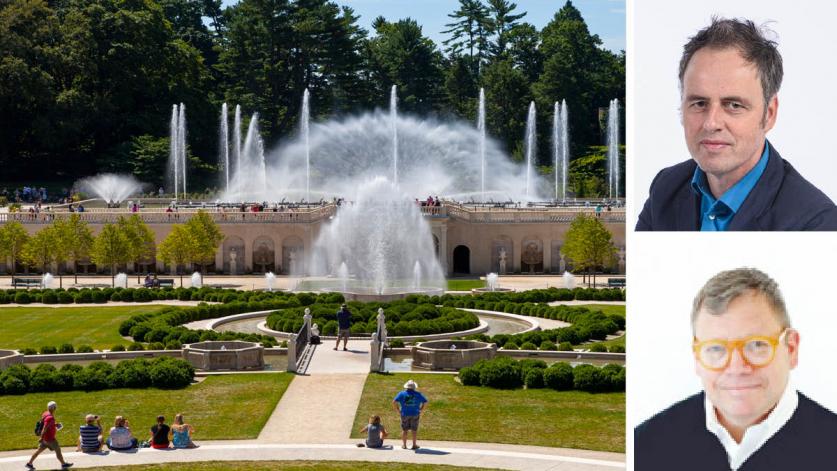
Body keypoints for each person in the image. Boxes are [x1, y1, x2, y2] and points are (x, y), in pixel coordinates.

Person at [636, 18, 837, 231]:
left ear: (769, 114)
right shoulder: (666, 187)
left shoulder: (817, 224)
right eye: (699, 103)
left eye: (733, 105)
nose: (711, 123)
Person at [635, 268, 837, 470]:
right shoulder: (644, 447)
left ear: (791, 349)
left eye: (756, 345)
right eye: (716, 348)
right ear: (697, 357)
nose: (737, 367)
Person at [26, 401, 73, 469]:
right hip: (49, 438)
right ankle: (63, 464)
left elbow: (46, 424)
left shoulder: (45, 413)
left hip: (45, 439)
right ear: (54, 408)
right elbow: (44, 428)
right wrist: (41, 438)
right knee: (58, 450)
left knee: (38, 451)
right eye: (55, 407)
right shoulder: (50, 417)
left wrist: (54, 424)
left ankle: (29, 463)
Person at [392, 379, 428, 450]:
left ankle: (404, 445)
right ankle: (414, 445)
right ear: (414, 387)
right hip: (415, 414)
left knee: (404, 430)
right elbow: (425, 402)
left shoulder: (401, 394)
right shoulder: (418, 394)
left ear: (406, 387)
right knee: (414, 430)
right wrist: (421, 409)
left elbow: (394, 402)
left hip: (404, 414)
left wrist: (398, 410)